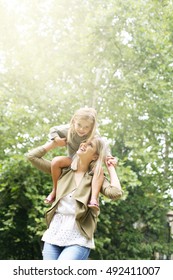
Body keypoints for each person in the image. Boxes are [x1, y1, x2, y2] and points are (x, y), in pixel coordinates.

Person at [26, 136, 123, 260]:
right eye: (84, 142)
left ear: (95, 156)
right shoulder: (63, 170)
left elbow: (115, 192)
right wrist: (53, 143)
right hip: (54, 233)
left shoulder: (96, 177)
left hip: (79, 237)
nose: (83, 144)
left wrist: (110, 168)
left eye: (90, 145)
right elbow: (32, 156)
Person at [45, 107, 116, 210]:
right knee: (56, 161)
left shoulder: (95, 135)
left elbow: (103, 146)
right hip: (73, 160)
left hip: (88, 162)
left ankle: (94, 199)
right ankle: (55, 190)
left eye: (86, 127)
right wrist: (57, 139)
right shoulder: (69, 130)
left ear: (92, 127)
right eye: (79, 125)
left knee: (98, 169)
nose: (82, 129)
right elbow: (53, 130)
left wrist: (108, 156)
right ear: (74, 121)